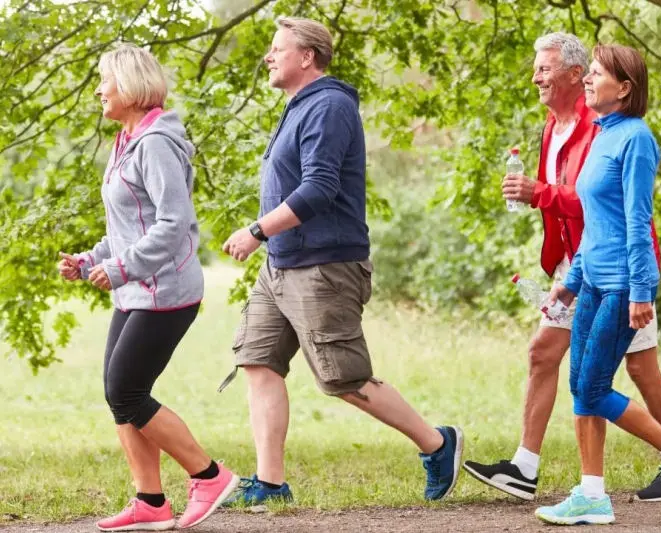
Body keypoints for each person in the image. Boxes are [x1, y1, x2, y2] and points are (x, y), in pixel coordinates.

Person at [218, 16, 463, 506]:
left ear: (307, 56)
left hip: (323, 266)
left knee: (343, 379)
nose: (268, 57)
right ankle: (270, 483)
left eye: (277, 48)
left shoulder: (328, 105)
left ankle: (437, 444)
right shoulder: (298, 107)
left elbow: (319, 187)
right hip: (282, 264)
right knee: (258, 361)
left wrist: (256, 230)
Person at [464, 32, 661, 503]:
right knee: (546, 355)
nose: (536, 76)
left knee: (639, 370)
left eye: (545, 68)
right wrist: (565, 269)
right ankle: (532, 468)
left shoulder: (603, 127)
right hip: (578, 264)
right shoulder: (552, 126)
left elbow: (602, 207)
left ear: (574, 74)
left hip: (618, 266)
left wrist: (538, 192)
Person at [57, 45, 239, 531]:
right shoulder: (127, 139)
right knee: (120, 393)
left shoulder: (157, 142)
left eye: (106, 81)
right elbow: (127, 225)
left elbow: (174, 224)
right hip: (138, 289)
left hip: (166, 290)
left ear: (132, 87)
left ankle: (209, 476)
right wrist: (91, 259)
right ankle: (151, 501)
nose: (99, 90)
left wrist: (120, 268)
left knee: (127, 391)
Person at [533, 44, 661, 525]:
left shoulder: (635, 139)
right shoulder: (602, 135)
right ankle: (592, 494)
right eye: (587, 73)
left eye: (596, 74)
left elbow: (638, 222)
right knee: (579, 386)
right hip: (593, 283)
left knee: (591, 389)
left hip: (620, 287)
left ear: (625, 87)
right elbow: (597, 224)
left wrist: (641, 291)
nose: (587, 81)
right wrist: (570, 283)